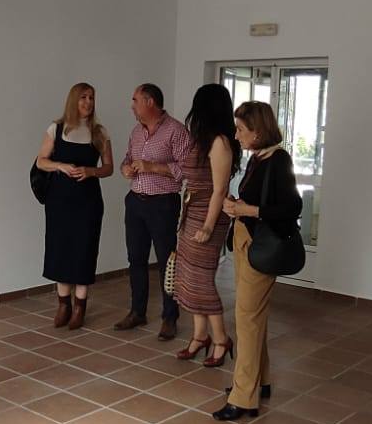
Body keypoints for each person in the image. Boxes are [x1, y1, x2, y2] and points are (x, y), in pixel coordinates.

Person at [214, 100, 302, 421]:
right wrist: (238, 205)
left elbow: (291, 207)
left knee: (246, 319)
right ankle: (259, 381)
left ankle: (243, 397)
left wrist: (247, 210)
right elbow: (258, 200)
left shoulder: (278, 160)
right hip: (246, 241)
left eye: (241, 129)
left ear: (258, 131)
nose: (236, 135)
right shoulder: (258, 158)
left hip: (260, 246)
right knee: (252, 317)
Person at [172, 84, 241, 367]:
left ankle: (221, 339)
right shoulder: (201, 139)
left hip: (208, 215)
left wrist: (209, 226)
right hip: (191, 212)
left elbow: (220, 189)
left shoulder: (220, 142)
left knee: (201, 279)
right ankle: (200, 336)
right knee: (188, 276)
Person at [35, 82, 113, 330]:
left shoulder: (100, 132)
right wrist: (60, 165)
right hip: (59, 201)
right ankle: (63, 305)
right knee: (60, 248)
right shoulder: (56, 129)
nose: (88, 102)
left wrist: (91, 171)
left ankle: (80, 306)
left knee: (84, 249)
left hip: (88, 201)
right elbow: (41, 161)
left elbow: (109, 168)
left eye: (91, 97)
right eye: (83, 97)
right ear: (73, 100)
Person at [117, 83, 191, 340]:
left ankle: (170, 317)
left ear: (150, 102)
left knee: (166, 262)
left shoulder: (176, 131)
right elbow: (127, 158)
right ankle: (137, 311)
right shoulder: (136, 132)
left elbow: (186, 168)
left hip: (162, 204)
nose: (132, 106)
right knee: (135, 259)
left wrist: (152, 167)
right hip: (135, 202)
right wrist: (125, 168)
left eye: (135, 100)